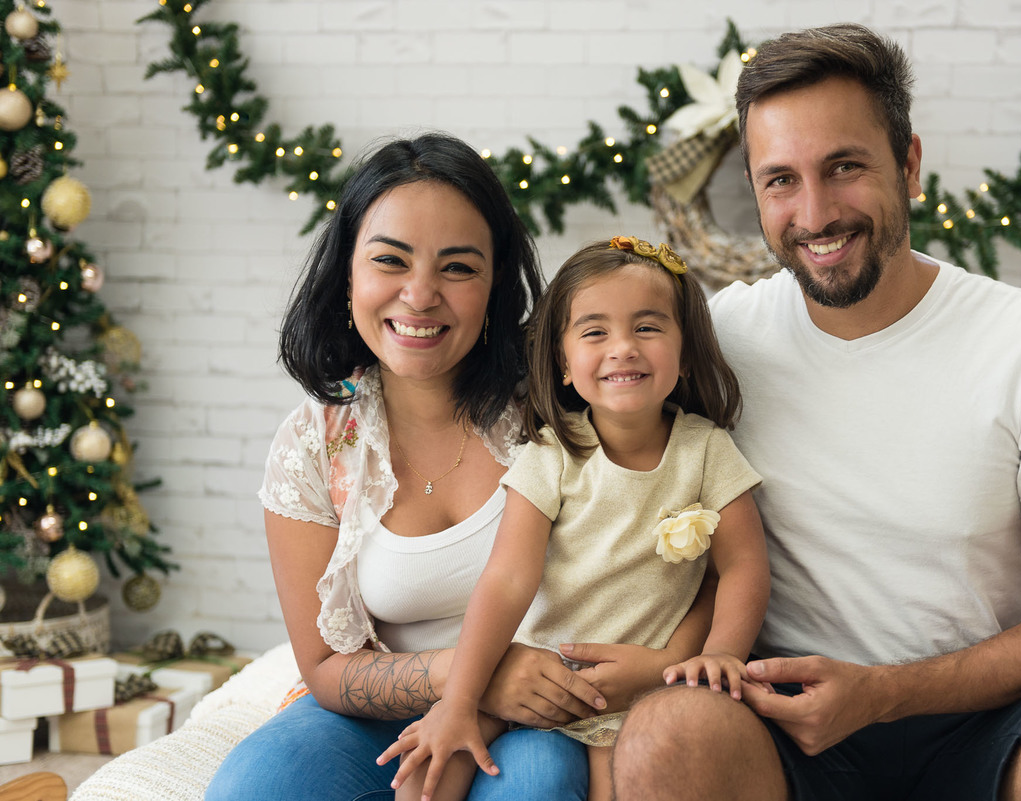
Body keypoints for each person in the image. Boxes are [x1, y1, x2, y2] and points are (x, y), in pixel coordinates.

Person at [613, 23, 1021, 801]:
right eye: (780, 180)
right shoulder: (722, 341)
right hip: (784, 724)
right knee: (664, 734)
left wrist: (884, 691)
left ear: (909, 164)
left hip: (991, 716)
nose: (815, 213)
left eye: (844, 167)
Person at [206, 135, 718, 801]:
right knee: (253, 788)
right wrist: (472, 674)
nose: (419, 296)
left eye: (458, 268)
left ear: (497, 283)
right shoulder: (315, 444)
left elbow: (699, 526)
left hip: (549, 710)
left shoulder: (562, 399)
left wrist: (663, 662)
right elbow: (326, 666)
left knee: (532, 785)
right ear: (348, 274)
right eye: (390, 260)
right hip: (389, 707)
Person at [379, 237, 770, 801]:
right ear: (564, 364)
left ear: (684, 353)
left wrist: (722, 654)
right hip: (540, 680)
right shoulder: (552, 454)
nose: (623, 349)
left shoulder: (705, 450)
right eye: (595, 332)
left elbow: (742, 567)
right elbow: (507, 579)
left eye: (648, 328)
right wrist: (459, 701)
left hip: (640, 693)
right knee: (426, 768)